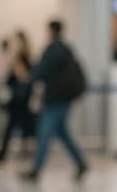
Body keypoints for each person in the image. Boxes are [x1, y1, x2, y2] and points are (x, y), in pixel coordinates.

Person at [22, 19, 89, 182]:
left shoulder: (53, 50)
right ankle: (81, 163)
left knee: (44, 134)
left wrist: (28, 76)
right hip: (63, 98)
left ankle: (36, 171)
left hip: (55, 99)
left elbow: (40, 71)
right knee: (62, 133)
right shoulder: (66, 49)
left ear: (51, 31)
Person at [0, 30, 36, 163]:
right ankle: (3, 154)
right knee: (17, 127)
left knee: (19, 127)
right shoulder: (18, 58)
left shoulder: (22, 59)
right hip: (17, 100)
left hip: (21, 100)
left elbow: (26, 78)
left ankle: (2, 155)